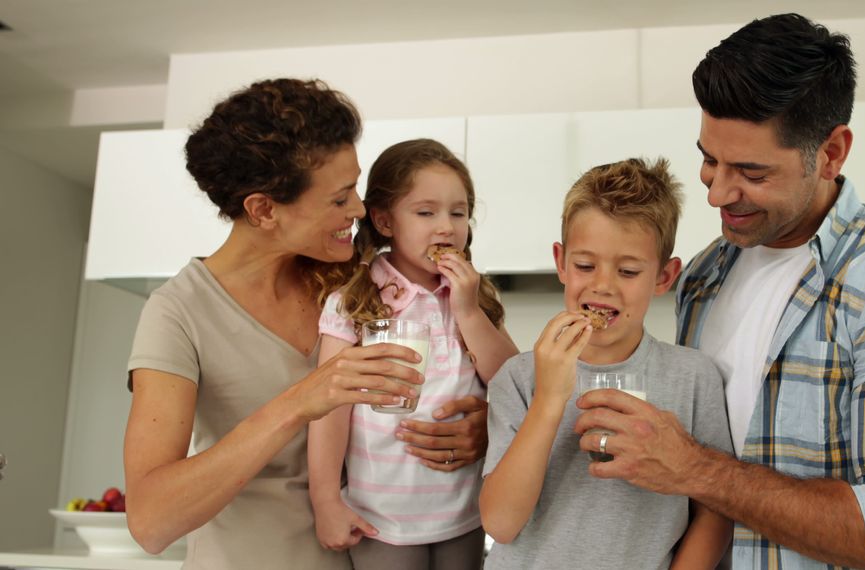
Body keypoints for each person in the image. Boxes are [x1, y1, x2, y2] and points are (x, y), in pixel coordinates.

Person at [574, 13, 865, 569]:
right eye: (708, 159)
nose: (717, 193)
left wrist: (697, 468)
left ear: (832, 152)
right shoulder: (704, 274)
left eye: (751, 171)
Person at [123, 80, 489, 570]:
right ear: (263, 209)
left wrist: (480, 430)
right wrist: (301, 400)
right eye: (339, 199)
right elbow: (151, 522)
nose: (358, 210)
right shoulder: (178, 313)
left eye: (355, 188)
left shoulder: (359, 281)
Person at [480, 158, 734, 569]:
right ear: (561, 262)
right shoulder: (519, 378)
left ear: (664, 277)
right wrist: (549, 399)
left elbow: (715, 509)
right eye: (585, 265)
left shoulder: (693, 378)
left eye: (629, 270)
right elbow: (501, 524)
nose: (603, 285)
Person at [307, 139, 519, 569]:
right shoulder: (354, 301)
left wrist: (468, 310)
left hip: (464, 514)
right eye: (426, 213)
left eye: (458, 213)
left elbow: (513, 382)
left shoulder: (475, 298)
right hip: (380, 518)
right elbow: (328, 411)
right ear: (385, 221)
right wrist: (325, 500)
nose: (446, 227)